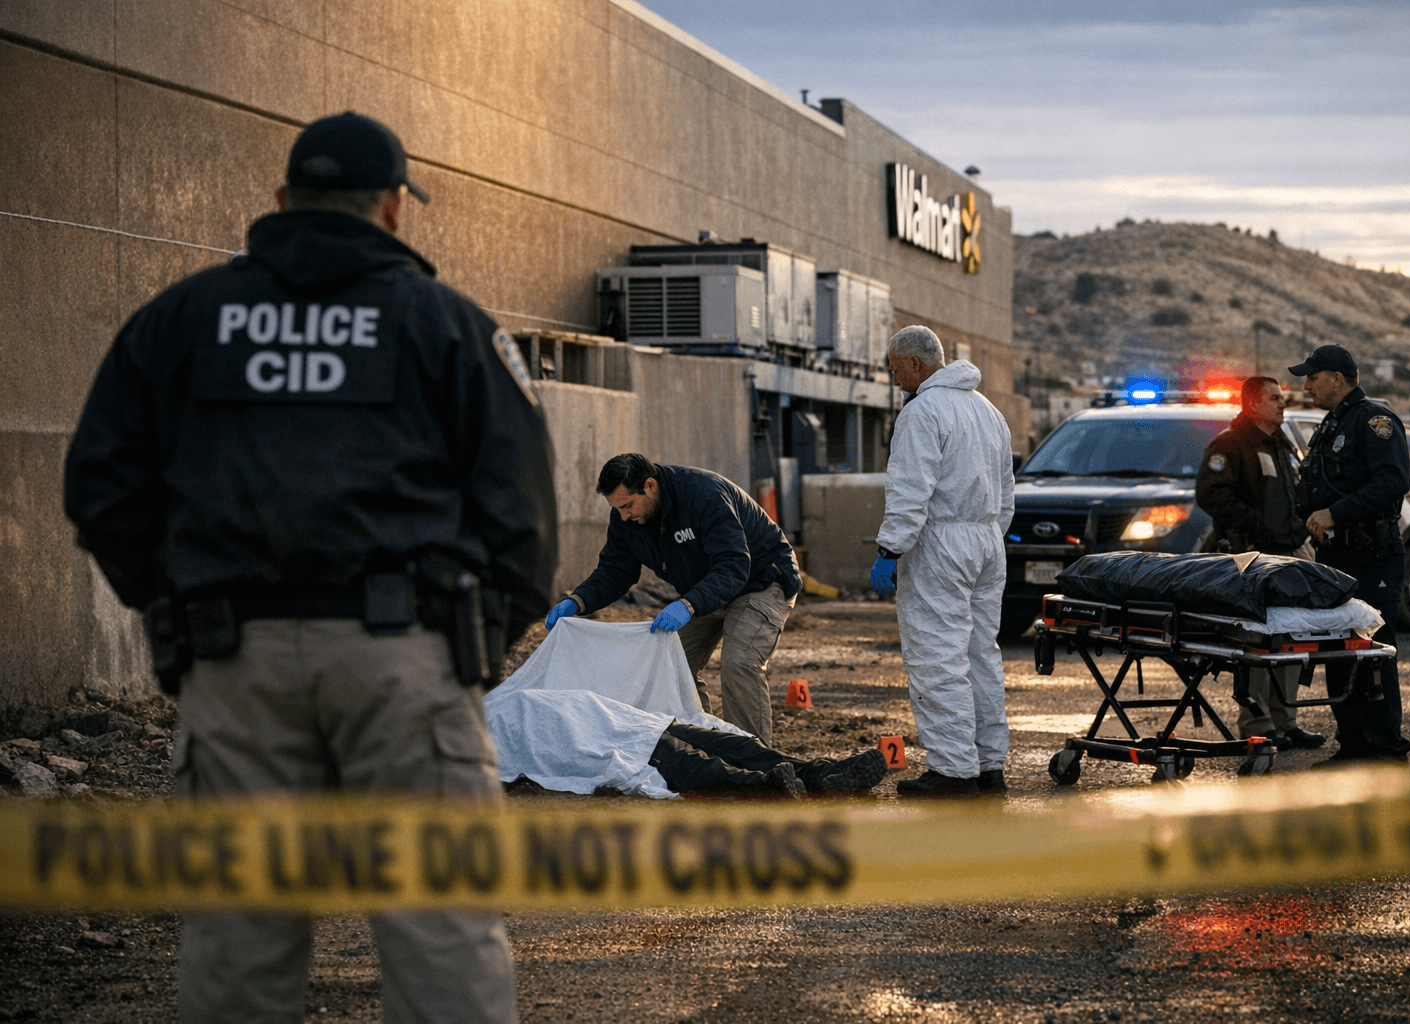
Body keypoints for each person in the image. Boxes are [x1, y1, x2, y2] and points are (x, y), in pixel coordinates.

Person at [63, 111, 556, 1023]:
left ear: (283, 202)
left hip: (231, 658)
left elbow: (100, 484)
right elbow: (521, 510)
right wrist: (473, 644)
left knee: (237, 937)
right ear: (396, 211)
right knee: (440, 924)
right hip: (407, 658)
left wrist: (176, 612)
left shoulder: (182, 319)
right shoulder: (446, 326)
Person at [545, 453, 801, 744]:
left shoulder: (703, 494)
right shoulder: (626, 517)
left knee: (739, 662)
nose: (624, 515)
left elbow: (733, 564)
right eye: (617, 509)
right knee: (671, 664)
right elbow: (616, 570)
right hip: (706, 589)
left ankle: (756, 761)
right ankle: (709, 746)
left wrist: (689, 604)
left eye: (628, 505)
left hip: (762, 580)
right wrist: (578, 601)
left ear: (651, 485)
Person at [869, 326, 1014, 797]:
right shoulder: (988, 412)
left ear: (915, 364)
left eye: (895, 370)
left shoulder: (922, 413)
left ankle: (953, 772)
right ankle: (989, 765)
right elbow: (1007, 493)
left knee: (938, 658)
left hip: (942, 545)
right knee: (981, 657)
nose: (895, 381)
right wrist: (987, 531)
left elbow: (910, 491)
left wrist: (890, 549)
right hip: (988, 541)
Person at [1290, 344, 1410, 765]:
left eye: (1312, 376)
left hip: (1371, 556)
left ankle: (1385, 749)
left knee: (1373, 650)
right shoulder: (1330, 425)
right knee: (1339, 651)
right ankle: (1354, 745)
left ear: (1337, 379)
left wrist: (1334, 513)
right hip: (1335, 559)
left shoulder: (1373, 420)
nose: (1306, 385)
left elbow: (1393, 481)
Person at [1195, 375, 1327, 752]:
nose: (1282, 405)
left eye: (1281, 398)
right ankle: (1257, 724)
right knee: (1256, 645)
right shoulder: (1232, 444)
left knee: (1288, 642)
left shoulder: (1282, 444)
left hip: (1288, 555)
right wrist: (1254, 525)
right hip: (1252, 557)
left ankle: (1286, 723)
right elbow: (1211, 494)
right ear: (1252, 405)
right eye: (1273, 399)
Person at [486, 687, 888, 798]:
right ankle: (765, 787)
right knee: (694, 763)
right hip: (612, 740)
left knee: (738, 746)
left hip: (633, 722)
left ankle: (824, 773)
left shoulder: (486, 700)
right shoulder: (479, 730)